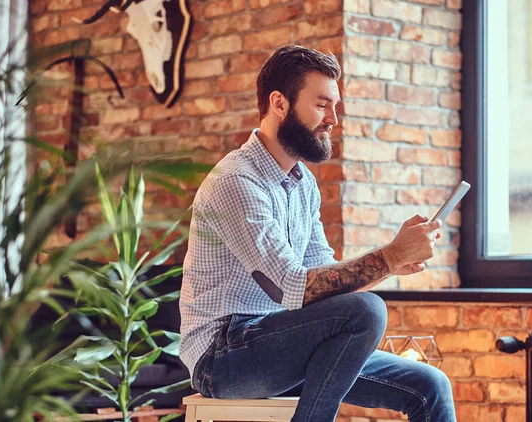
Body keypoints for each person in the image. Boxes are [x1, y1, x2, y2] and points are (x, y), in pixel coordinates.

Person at [179, 45, 457, 422]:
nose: (333, 120)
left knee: (431, 386)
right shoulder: (236, 182)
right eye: (322, 104)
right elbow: (294, 288)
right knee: (367, 310)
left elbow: (321, 282)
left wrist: (392, 263)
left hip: (282, 343)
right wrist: (388, 256)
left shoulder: (303, 183)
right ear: (280, 104)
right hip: (224, 356)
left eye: (335, 106)